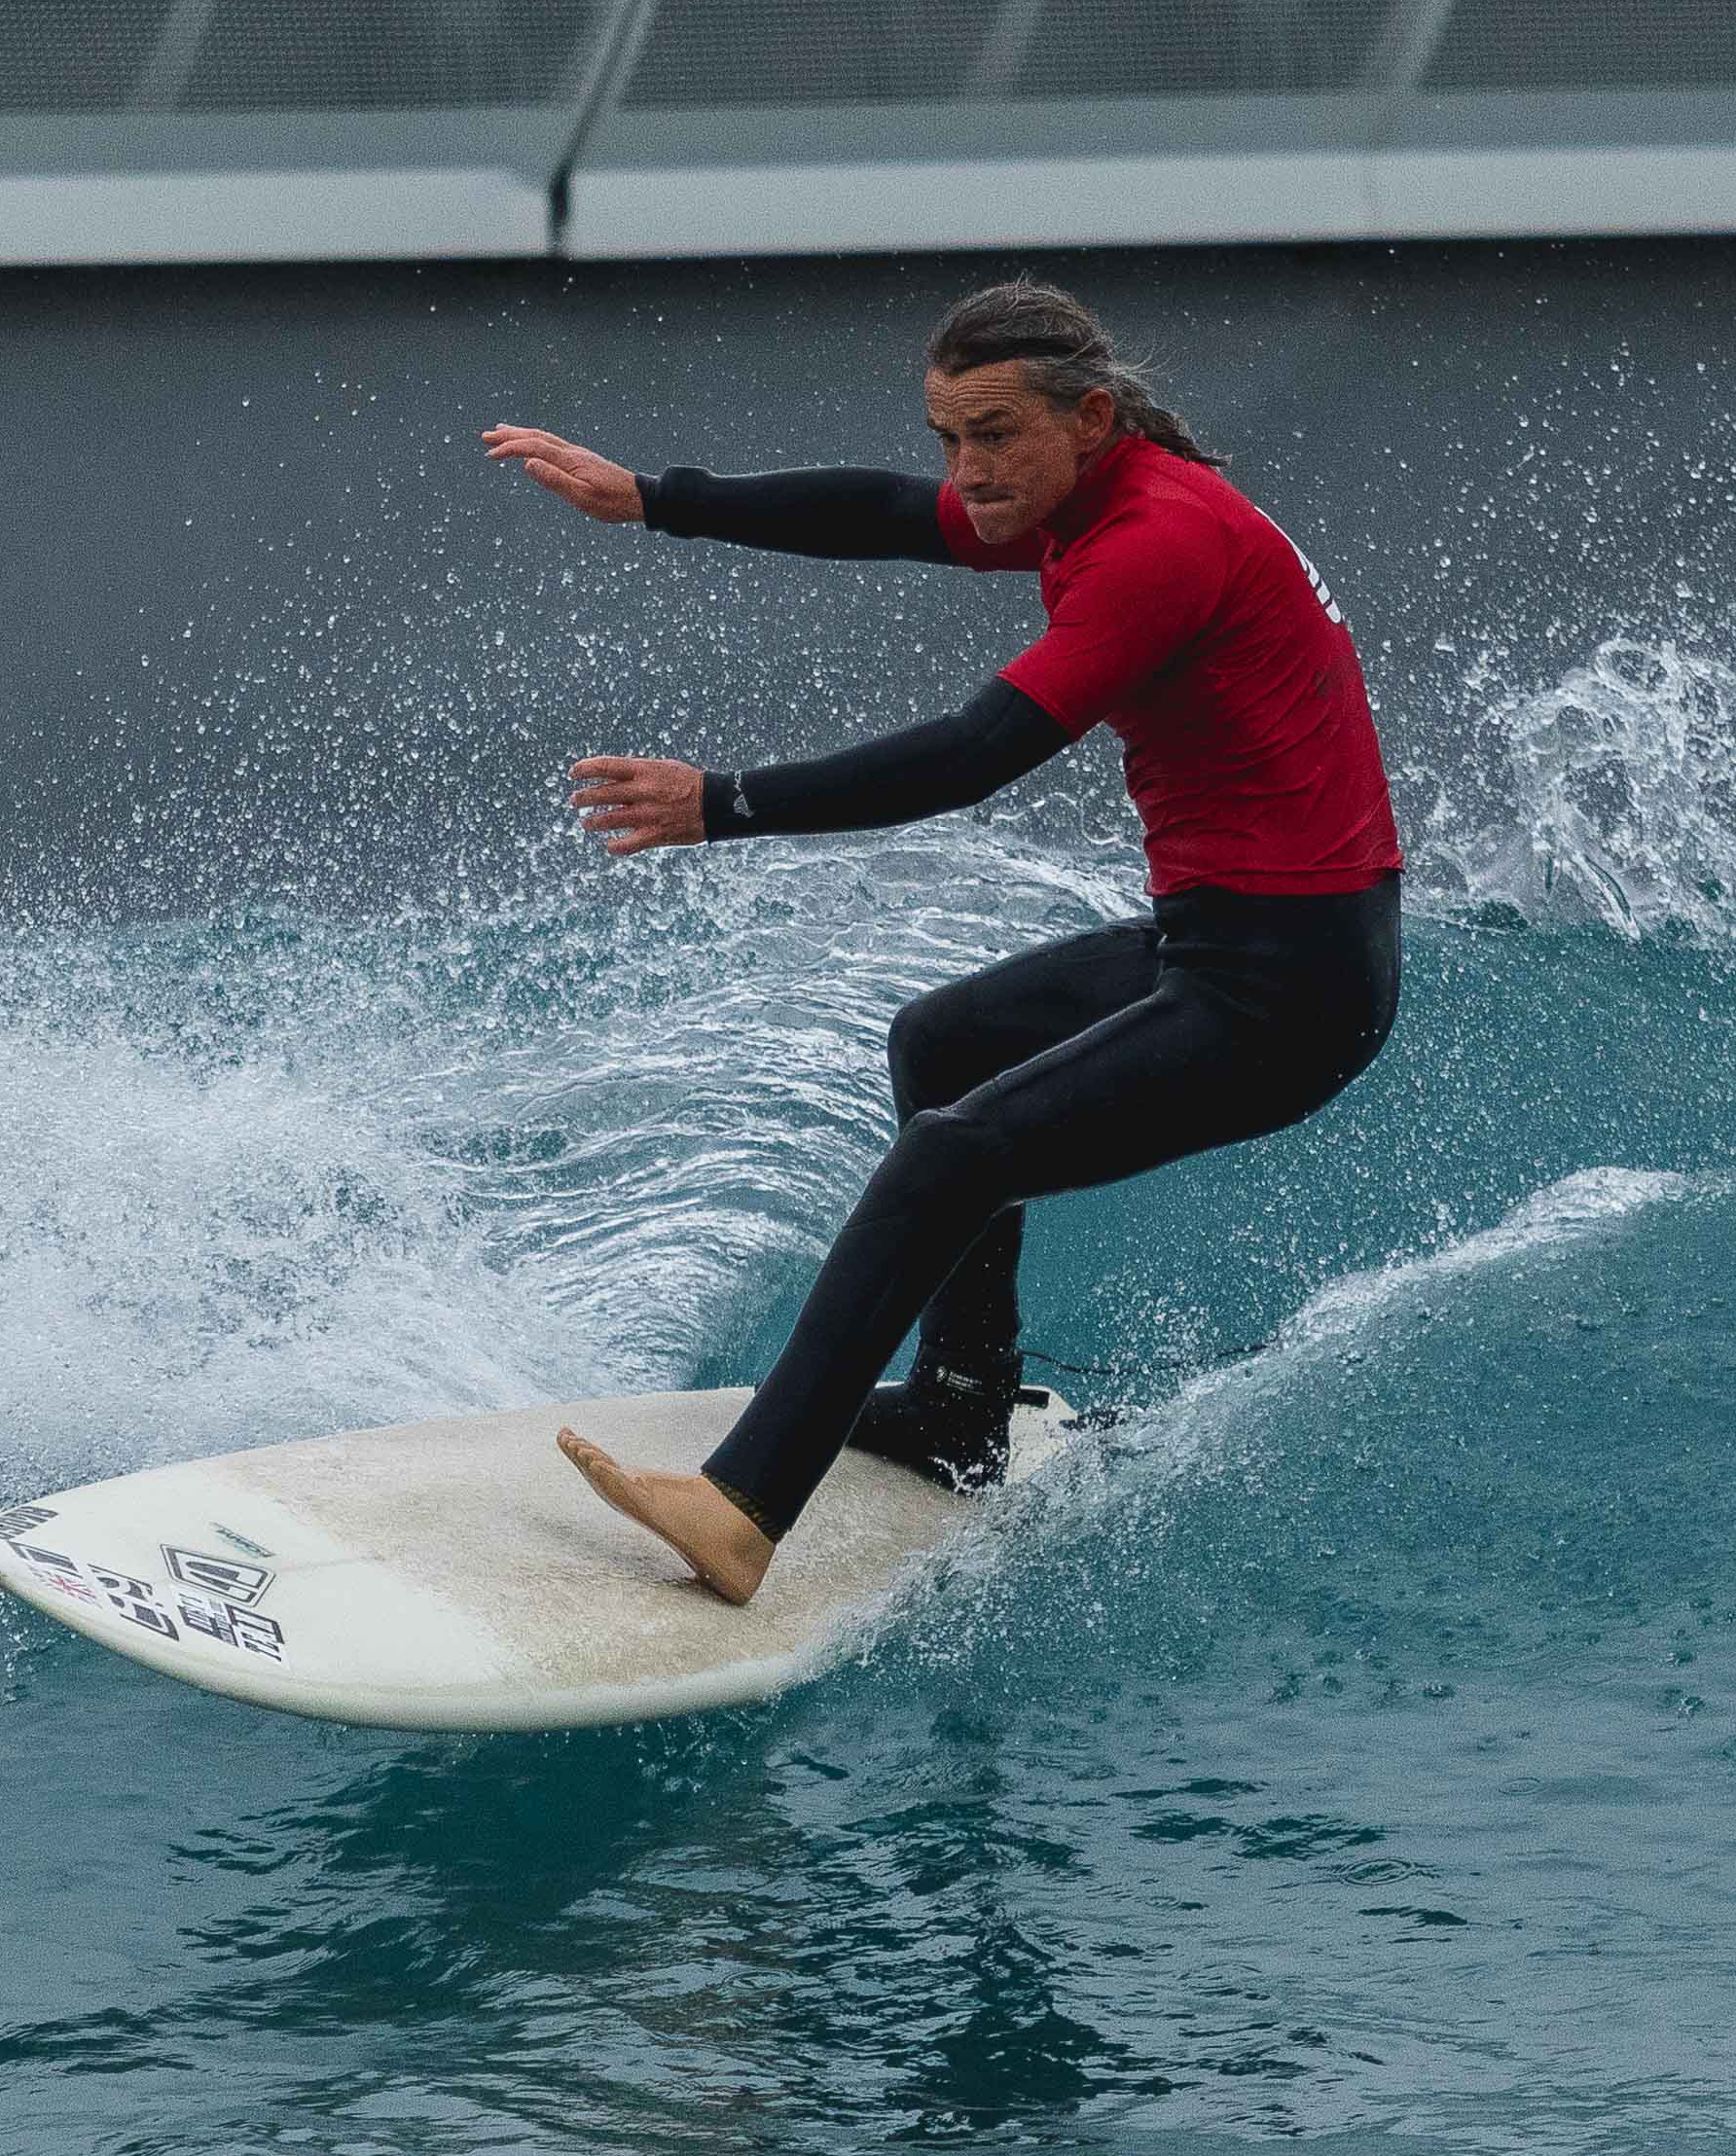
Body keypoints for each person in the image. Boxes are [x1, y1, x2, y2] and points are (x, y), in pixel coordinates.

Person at [481, 278, 1404, 1605]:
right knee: (946, 1041)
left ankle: (743, 1510)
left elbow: (975, 755)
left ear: (1088, 418)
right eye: (946, 436)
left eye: (991, 436)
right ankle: (960, 1406)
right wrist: (657, 497)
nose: (964, 471)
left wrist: (723, 804)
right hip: (1225, 942)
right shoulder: (1093, 494)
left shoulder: (1159, 541)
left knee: (952, 1153)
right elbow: (884, 512)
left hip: (1290, 986)